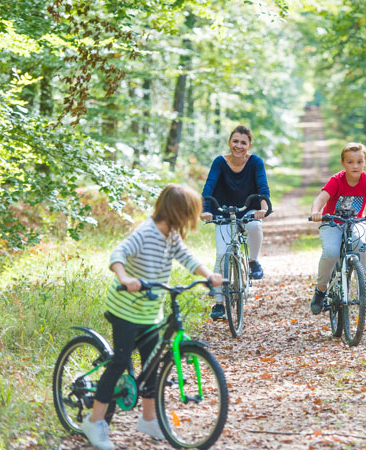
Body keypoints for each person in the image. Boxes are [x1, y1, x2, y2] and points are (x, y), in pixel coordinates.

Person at [81, 184, 223, 450]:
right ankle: (94, 421)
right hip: (125, 309)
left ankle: (148, 418)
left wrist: (208, 274)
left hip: (149, 312)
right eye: (189, 213)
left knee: (151, 363)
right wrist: (125, 277)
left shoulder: (170, 236)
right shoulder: (145, 232)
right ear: (177, 212)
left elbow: (188, 258)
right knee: (121, 360)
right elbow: (118, 253)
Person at [309, 142, 366, 315]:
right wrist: (316, 212)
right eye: (350, 162)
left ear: (365, 163)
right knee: (331, 253)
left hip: (354, 222)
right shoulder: (337, 180)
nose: (355, 166)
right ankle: (321, 290)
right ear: (343, 163)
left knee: (360, 244)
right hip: (332, 222)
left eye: (359, 161)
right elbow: (320, 199)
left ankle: (364, 284)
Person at [201, 125, 270, 320]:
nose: (238, 146)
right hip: (223, 209)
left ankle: (253, 261)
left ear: (249, 145)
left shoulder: (255, 162)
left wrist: (263, 207)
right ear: (229, 142)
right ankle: (219, 303)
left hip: (249, 209)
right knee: (221, 254)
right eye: (235, 141)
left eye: (243, 142)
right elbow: (209, 187)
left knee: (255, 226)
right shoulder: (220, 162)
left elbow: (262, 186)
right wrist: (205, 210)